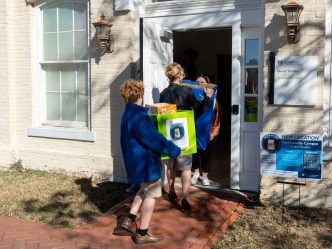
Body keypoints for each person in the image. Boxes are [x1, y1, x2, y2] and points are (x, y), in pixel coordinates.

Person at [119, 79, 182, 245]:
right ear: (139, 95)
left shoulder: (127, 114)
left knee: (143, 189)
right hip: (146, 164)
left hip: (137, 163)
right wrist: (174, 150)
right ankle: (142, 233)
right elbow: (154, 140)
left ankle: (130, 219)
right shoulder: (139, 116)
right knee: (152, 195)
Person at [159, 63, 213, 212]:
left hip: (168, 134)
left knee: (172, 165)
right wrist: (207, 98)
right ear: (180, 75)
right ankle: (185, 198)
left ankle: (171, 191)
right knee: (186, 168)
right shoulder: (186, 90)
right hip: (184, 134)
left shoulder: (163, 93)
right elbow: (199, 110)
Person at [191, 74, 222, 186]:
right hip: (195, 130)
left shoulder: (213, 99)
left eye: (202, 83)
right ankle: (195, 173)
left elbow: (217, 116)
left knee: (207, 155)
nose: (199, 85)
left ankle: (204, 176)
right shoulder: (192, 98)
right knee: (194, 154)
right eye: (197, 83)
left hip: (208, 132)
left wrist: (213, 131)